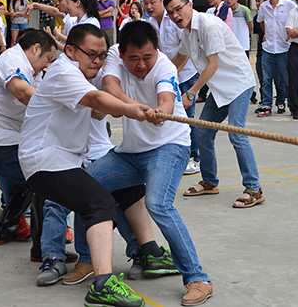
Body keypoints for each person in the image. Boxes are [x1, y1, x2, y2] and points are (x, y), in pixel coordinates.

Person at [19, 24, 150, 307]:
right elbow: (95, 100)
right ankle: (101, 283)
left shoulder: (83, 75)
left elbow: (98, 109)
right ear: (70, 50)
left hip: (65, 160)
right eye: (92, 54)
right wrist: (131, 108)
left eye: (102, 56)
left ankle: (147, 253)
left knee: (120, 190)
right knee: (99, 202)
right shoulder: (64, 72)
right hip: (45, 160)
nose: (97, 61)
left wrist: (114, 91)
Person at [89, 21, 214, 306]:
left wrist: (161, 112)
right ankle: (112, 258)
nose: (142, 65)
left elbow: (167, 100)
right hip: (130, 152)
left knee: (158, 204)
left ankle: (197, 278)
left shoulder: (165, 67)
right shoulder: (114, 59)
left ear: (156, 51)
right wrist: (132, 108)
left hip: (168, 146)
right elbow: (108, 85)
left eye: (148, 57)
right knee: (87, 188)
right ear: (121, 54)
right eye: (134, 59)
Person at [164, 0, 265, 209]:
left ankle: (254, 188)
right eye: (170, 13)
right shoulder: (188, 32)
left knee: (237, 134)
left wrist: (191, 92)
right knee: (203, 132)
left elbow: (213, 65)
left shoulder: (208, 25)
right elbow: (179, 59)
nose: (175, 16)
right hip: (219, 88)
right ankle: (210, 182)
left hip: (238, 83)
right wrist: (158, 78)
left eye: (178, 10)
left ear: (189, 5)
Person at [0, 29, 57, 247]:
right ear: (36, 48)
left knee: (31, 179)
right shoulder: (13, 60)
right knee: (42, 177)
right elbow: (23, 92)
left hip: (5, 139)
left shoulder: (31, 68)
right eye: (47, 58)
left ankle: (7, 229)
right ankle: (44, 246)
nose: (47, 64)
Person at [142, 0, 201, 175]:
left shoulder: (175, 20)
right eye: (146, 3)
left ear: (161, 1)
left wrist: (172, 74)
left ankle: (194, 158)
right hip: (168, 76)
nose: (149, 7)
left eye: (153, 2)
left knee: (187, 117)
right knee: (169, 116)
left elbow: (185, 53)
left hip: (184, 75)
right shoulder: (149, 24)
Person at [256, 0, 297, 116]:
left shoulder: (289, 5)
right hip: (268, 48)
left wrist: (292, 33)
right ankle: (266, 105)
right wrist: (266, 33)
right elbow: (261, 22)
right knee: (266, 79)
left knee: (285, 79)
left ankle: (287, 103)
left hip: (284, 47)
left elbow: (296, 20)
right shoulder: (264, 7)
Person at [252, 0, 267, 106]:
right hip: (261, 52)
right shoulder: (257, 17)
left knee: (279, 80)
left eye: (259, 1)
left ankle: (281, 101)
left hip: (275, 51)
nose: (257, 3)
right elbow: (257, 33)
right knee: (262, 79)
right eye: (256, 1)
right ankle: (265, 100)